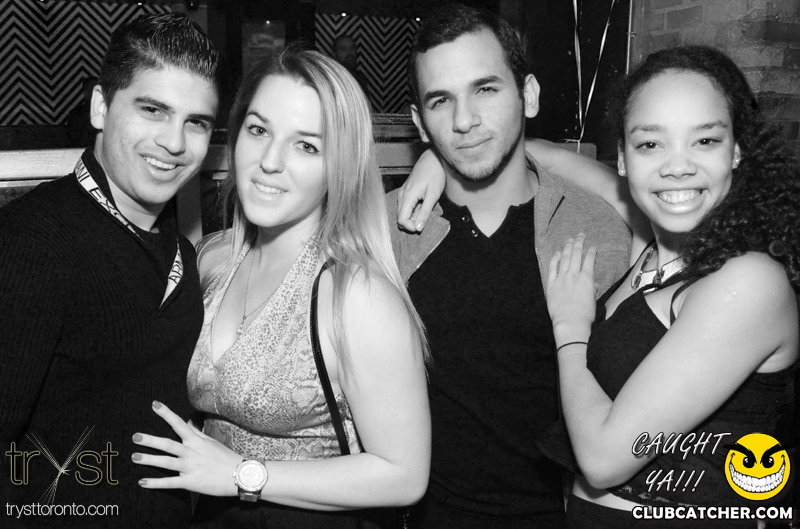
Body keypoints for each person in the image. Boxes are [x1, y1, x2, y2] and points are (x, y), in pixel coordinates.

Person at [130, 46, 431, 528]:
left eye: (306, 146)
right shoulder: (212, 258)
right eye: (259, 130)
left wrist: (241, 474)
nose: (270, 161)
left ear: (340, 166)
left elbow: (405, 475)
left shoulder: (356, 294)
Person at [385, 4, 631, 528]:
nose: (464, 121)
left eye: (486, 89)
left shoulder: (599, 229)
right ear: (419, 123)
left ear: (529, 95)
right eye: (441, 100)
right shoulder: (386, 231)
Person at [544, 46, 798, 527]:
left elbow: (603, 459)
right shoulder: (649, 246)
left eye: (704, 140)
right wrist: (439, 163)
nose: (677, 166)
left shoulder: (748, 282)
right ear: (623, 158)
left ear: (736, 150)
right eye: (650, 144)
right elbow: (553, 159)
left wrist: (570, 328)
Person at [0, 13, 218, 529]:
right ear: (101, 106)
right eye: (152, 110)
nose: (175, 142)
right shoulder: (31, 243)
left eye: (196, 122)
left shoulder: (179, 250)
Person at [63, 75, 100, 148]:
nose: (99, 94)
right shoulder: (77, 114)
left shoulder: (108, 111)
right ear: (86, 94)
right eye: (96, 91)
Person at [332, 34, 371, 102]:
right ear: (334, 54)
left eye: (352, 48)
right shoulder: (331, 79)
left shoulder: (360, 78)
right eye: (344, 49)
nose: (350, 52)